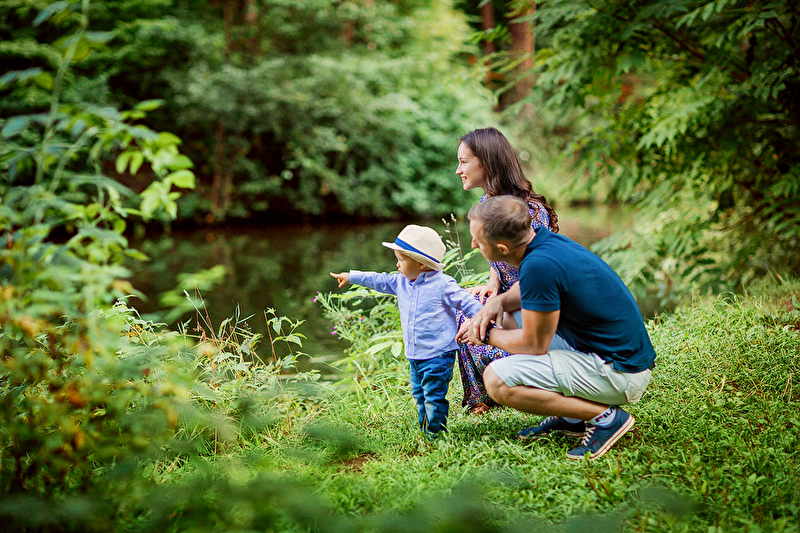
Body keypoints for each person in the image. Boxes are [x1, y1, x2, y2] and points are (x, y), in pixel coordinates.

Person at [458, 196, 656, 460]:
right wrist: (497, 302)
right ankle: (570, 418)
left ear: (502, 249)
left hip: (620, 372)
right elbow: (527, 292)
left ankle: (606, 419)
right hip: (613, 354)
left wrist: (486, 335)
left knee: (496, 380)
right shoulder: (541, 242)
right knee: (507, 317)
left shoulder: (539, 266)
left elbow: (534, 344)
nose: (473, 244)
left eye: (478, 241)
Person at [330, 224, 483, 437]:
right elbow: (378, 279)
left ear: (421, 263)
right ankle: (425, 429)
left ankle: (435, 434)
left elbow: (469, 304)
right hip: (414, 354)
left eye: (401, 260)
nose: (397, 264)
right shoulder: (400, 282)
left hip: (439, 355)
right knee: (419, 395)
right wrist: (351, 276)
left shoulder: (443, 285)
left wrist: (479, 321)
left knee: (433, 396)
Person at [455, 127, 559, 414]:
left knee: (477, 317)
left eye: (464, 162)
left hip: (532, 301)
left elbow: (539, 267)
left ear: (485, 162)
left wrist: (500, 301)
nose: (458, 170)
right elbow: (499, 259)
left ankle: (525, 377)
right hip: (506, 295)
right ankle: (480, 398)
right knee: (463, 303)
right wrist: (492, 283)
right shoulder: (484, 205)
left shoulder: (530, 210)